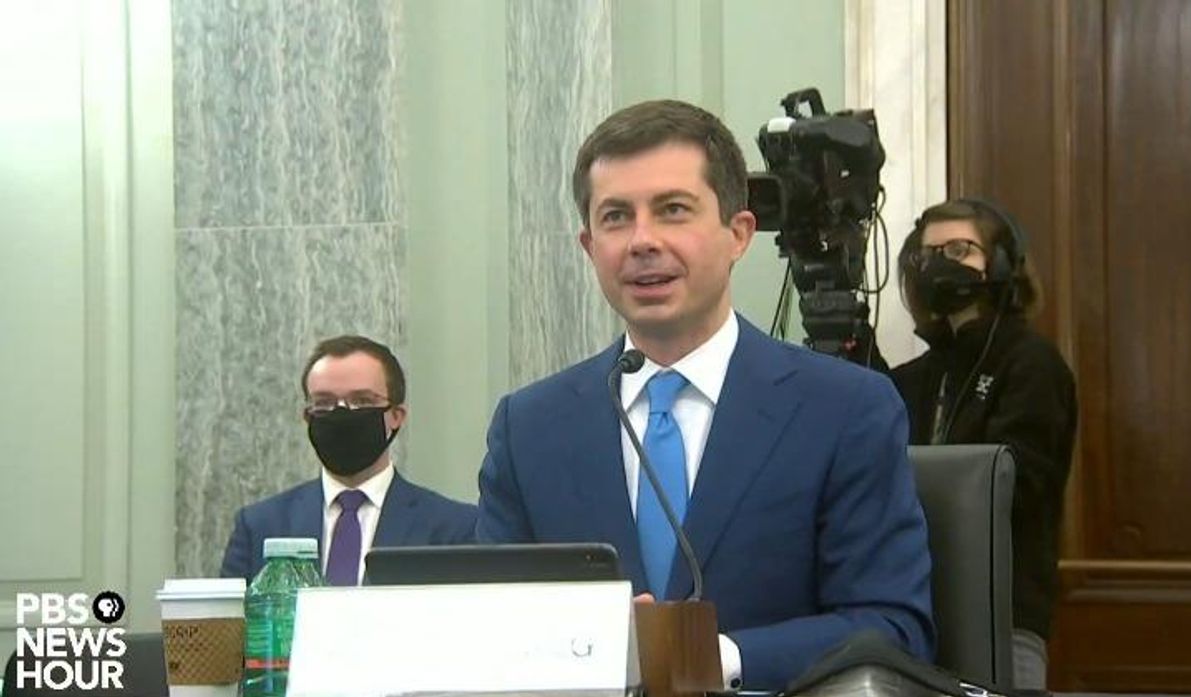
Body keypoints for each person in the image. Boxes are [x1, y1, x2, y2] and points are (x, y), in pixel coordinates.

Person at [475, 100, 935, 691]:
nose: (642, 241)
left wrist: (715, 657)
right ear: (590, 248)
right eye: (616, 217)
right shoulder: (530, 426)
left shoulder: (846, 409)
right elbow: (491, 629)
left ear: (738, 234)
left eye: (672, 210)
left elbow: (892, 627)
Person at [890, 199, 1077, 690]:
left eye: (958, 249)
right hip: (917, 608)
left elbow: (1020, 486)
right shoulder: (916, 376)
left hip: (1004, 614)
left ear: (998, 264)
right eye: (927, 254)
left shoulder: (1032, 365)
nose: (939, 264)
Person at [221, 335, 477, 584]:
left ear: (397, 415)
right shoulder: (259, 526)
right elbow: (228, 623)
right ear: (308, 416)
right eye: (324, 402)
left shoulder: (454, 529)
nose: (342, 414)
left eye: (362, 401)